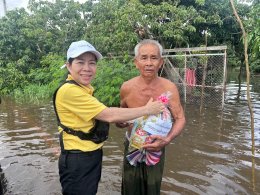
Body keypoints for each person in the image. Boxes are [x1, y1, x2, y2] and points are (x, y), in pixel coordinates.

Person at [53, 40, 164, 195]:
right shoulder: (69, 91)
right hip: (78, 159)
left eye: (91, 63)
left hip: (89, 155)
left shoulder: (84, 89)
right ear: (69, 65)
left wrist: (123, 119)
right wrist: (147, 109)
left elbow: (100, 116)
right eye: (80, 62)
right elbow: (109, 114)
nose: (87, 68)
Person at [117, 39, 186, 195]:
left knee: (152, 188)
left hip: (157, 145)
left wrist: (166, 140)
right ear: (136, 62)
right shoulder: (127, 87)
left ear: (160, 62)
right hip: (132, 145)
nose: (149, 63)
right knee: (129, 187)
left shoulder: (169, 88)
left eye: (154, 58)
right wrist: (121, 123)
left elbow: (180, 118)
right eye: (144, 58)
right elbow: (121, 116)